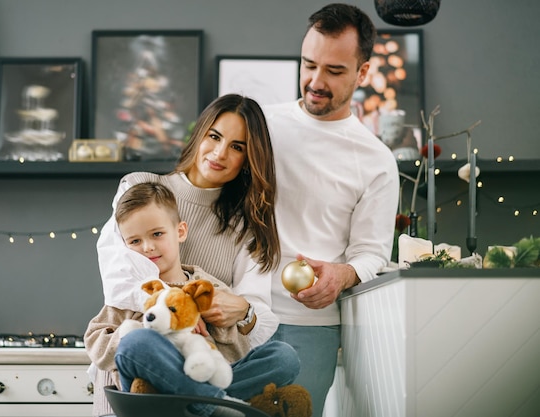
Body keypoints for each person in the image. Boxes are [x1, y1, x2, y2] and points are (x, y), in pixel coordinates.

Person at [86, 94, 303, 417]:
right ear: (199, 134)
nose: (219, 153)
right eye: (214, 136)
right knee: (137, 345)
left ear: (249, 158)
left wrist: (240, 309)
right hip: (146, 361)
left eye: (237, 146)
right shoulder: (141, 188)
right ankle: (214, 403)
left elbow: (254, 317)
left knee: (284, 357)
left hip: (204, 363)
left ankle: (206, 401)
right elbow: (119, 275)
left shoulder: (246, 226)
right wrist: (181, 308)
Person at [263, 4, 400, 417]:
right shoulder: (259, 125)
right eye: (308, 65)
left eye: (335, 71)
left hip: (310, 330)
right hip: (235, 316)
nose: (316, 81)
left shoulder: (376, 160)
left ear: (362, 73)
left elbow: (372, 253)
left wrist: (342, 274)